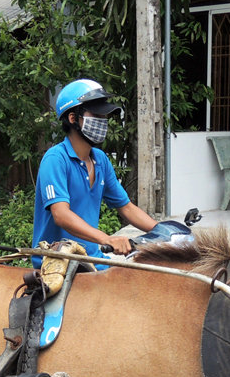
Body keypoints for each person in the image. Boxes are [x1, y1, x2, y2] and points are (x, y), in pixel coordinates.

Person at [31, 79, 158, 267]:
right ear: (73, 118)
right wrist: (107, 239)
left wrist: (164, 231)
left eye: (104, 116)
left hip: (92, 259)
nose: (103, 121)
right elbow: (61, 215)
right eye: (96, 114)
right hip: (57, 261)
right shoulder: (56, 159)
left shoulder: (100, 160)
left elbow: (126, 207)